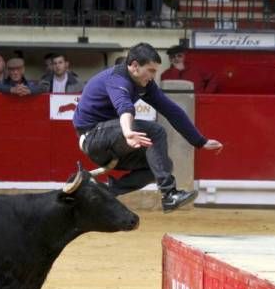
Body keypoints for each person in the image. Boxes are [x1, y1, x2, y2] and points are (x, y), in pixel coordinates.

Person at [72, 42, 223, 213]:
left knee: (161, 164)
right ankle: (170, 194)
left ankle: (105, 192)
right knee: (155, 130)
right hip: (93, 138)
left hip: (112, 138)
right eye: (151, 71)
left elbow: (171, 110)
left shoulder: (145, 84)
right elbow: (124, 107)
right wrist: (128, 132)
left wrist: (200, 141)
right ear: (135, 66)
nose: (153, 76)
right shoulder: (117, 78)